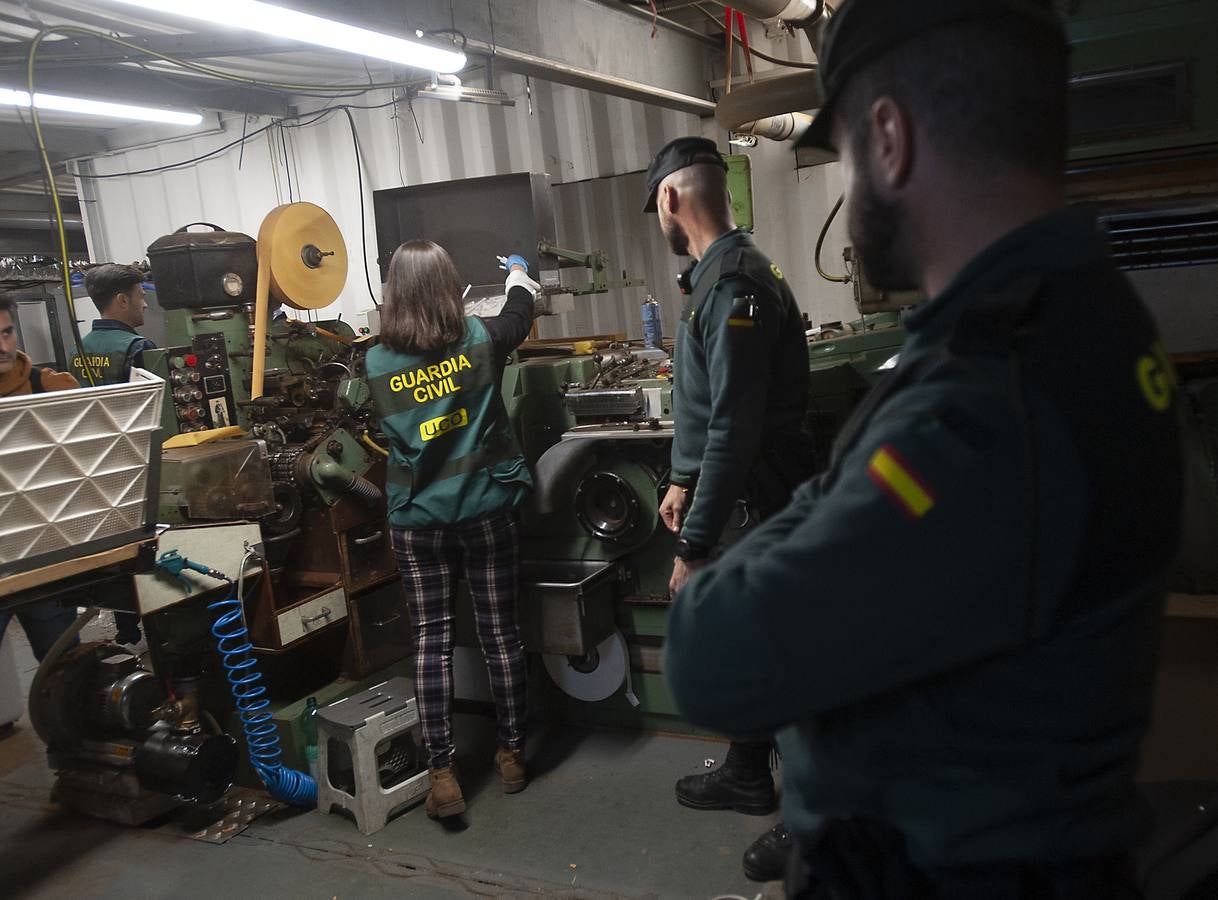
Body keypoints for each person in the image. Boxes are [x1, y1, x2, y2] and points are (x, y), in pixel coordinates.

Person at [664, 2, 1184, 898]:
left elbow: (714, 658)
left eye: (851, 155)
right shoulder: (1097, 317)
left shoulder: (981, 401)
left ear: (891, 138)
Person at [644, 136, 812, 882]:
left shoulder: (736, 283)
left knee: (785, 654)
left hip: (761, 495)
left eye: (657, 206)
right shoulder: (719, 276)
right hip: (744, 488)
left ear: (672, 199)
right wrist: (682, 477)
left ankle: (812, 825)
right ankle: (748, 771)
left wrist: (696, 546)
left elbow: (736, 427)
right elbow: (710, 401)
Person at [366, 241, 538, 820]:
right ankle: (511, 754)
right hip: (485, 511)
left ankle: (443, 773)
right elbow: (519, 316)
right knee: (500, 635)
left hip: (417, 523)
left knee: (431, 644)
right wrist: (517, 273)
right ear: (449, 287)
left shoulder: (375, 363)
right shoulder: (479, 339)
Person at [72, 263, 156, 649]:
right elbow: (158, 412)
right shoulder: (138, 349)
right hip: (134, 464)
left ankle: (124, 632)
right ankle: (156, 624)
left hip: (93, 467)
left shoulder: (80, 351)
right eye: (140, 297)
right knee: (143, 550)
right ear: (121, 300)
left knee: (112, 552)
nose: (144, 306)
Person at [0, 293, 81, 659]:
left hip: (43, 553)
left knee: (65, 672)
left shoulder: (49, 387)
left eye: (7, 333)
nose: (3, 346)